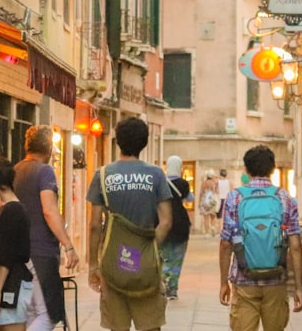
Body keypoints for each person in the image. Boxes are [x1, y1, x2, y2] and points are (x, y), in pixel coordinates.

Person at [87, 117, 173, 331]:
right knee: (150, 325)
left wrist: (93, 265)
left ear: (118, 142)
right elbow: (166, 221)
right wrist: (151, 247)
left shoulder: (103, 175)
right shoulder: (156, 175)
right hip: (145, 263)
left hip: (113, 260)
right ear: (144, 143)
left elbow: (95, 225)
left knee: (117, 326)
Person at [218, 145, 302, 331]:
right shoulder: (285, 198)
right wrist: (298, 287)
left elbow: (226, 244)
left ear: (246, 170)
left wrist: (224, 282)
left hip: (243, 280)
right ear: (273, 169)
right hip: (276, 280)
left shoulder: (234, 198)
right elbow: (296, 246)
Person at [14, 126, 80, 331]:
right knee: (49, 315)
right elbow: (49, 210)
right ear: (49, 148)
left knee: (32, 312)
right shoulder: (44, 172)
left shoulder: (15, 170)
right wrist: (68, 245)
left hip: (18, 253)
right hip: (40, 253)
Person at [0, 157, 35, 330]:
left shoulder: (11, 210)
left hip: (12, 284)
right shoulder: (16, 208)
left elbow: (5, 257)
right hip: (18, 282)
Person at [160, 155, 192, 300]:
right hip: (180, 224)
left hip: (161, 221)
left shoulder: (161, 183)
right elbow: (190, 198)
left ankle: (163, 284)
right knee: (177, 259)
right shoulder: (183, 184)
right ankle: (172, 289)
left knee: (164, 257)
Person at [198, 170, 220, 235]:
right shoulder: (215, 183)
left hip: (205, 199)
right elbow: (217, 192)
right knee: (213, 216)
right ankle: (213, 227)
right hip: (212, 199)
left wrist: (199, 201)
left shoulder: (204, 183)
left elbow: (201, 192)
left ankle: (207, 232)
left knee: (206, 217)